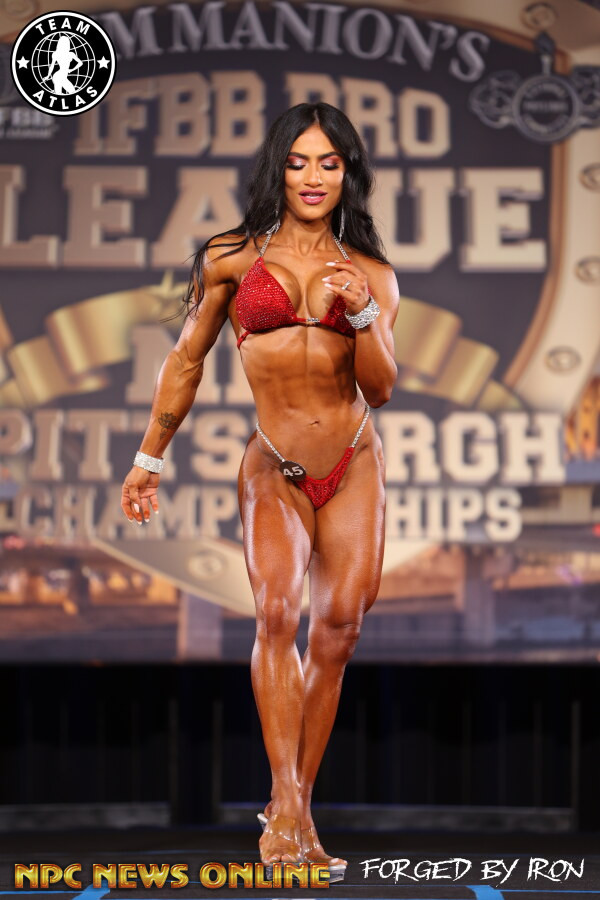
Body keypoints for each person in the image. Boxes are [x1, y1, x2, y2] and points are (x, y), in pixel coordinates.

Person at [120, 102, 399, 880]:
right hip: (273, 463)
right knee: (277, 614)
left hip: (353, 462)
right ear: (278, 167)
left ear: (347, 174)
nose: (313, 177)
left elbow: (381, 389)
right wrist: (149, 458)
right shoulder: (231, 257)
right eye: (299, 161)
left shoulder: (371, 273)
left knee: (338, 631)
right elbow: (186, 358)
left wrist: (363, 313)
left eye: (329, 164)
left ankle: (295, 804)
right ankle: (287, 811)